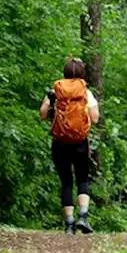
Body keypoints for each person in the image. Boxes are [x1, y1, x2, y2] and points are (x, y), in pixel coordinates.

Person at [39, 57, 100, 234]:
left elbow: (43, 115)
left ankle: (69, 224)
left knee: (66, 182)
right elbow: (95, 119)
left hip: (59, 142)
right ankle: (83, 216)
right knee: (82, 179)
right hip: (80, 141)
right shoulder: (85, 93)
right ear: (82, 74)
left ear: (65, 73)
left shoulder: (55, 91)